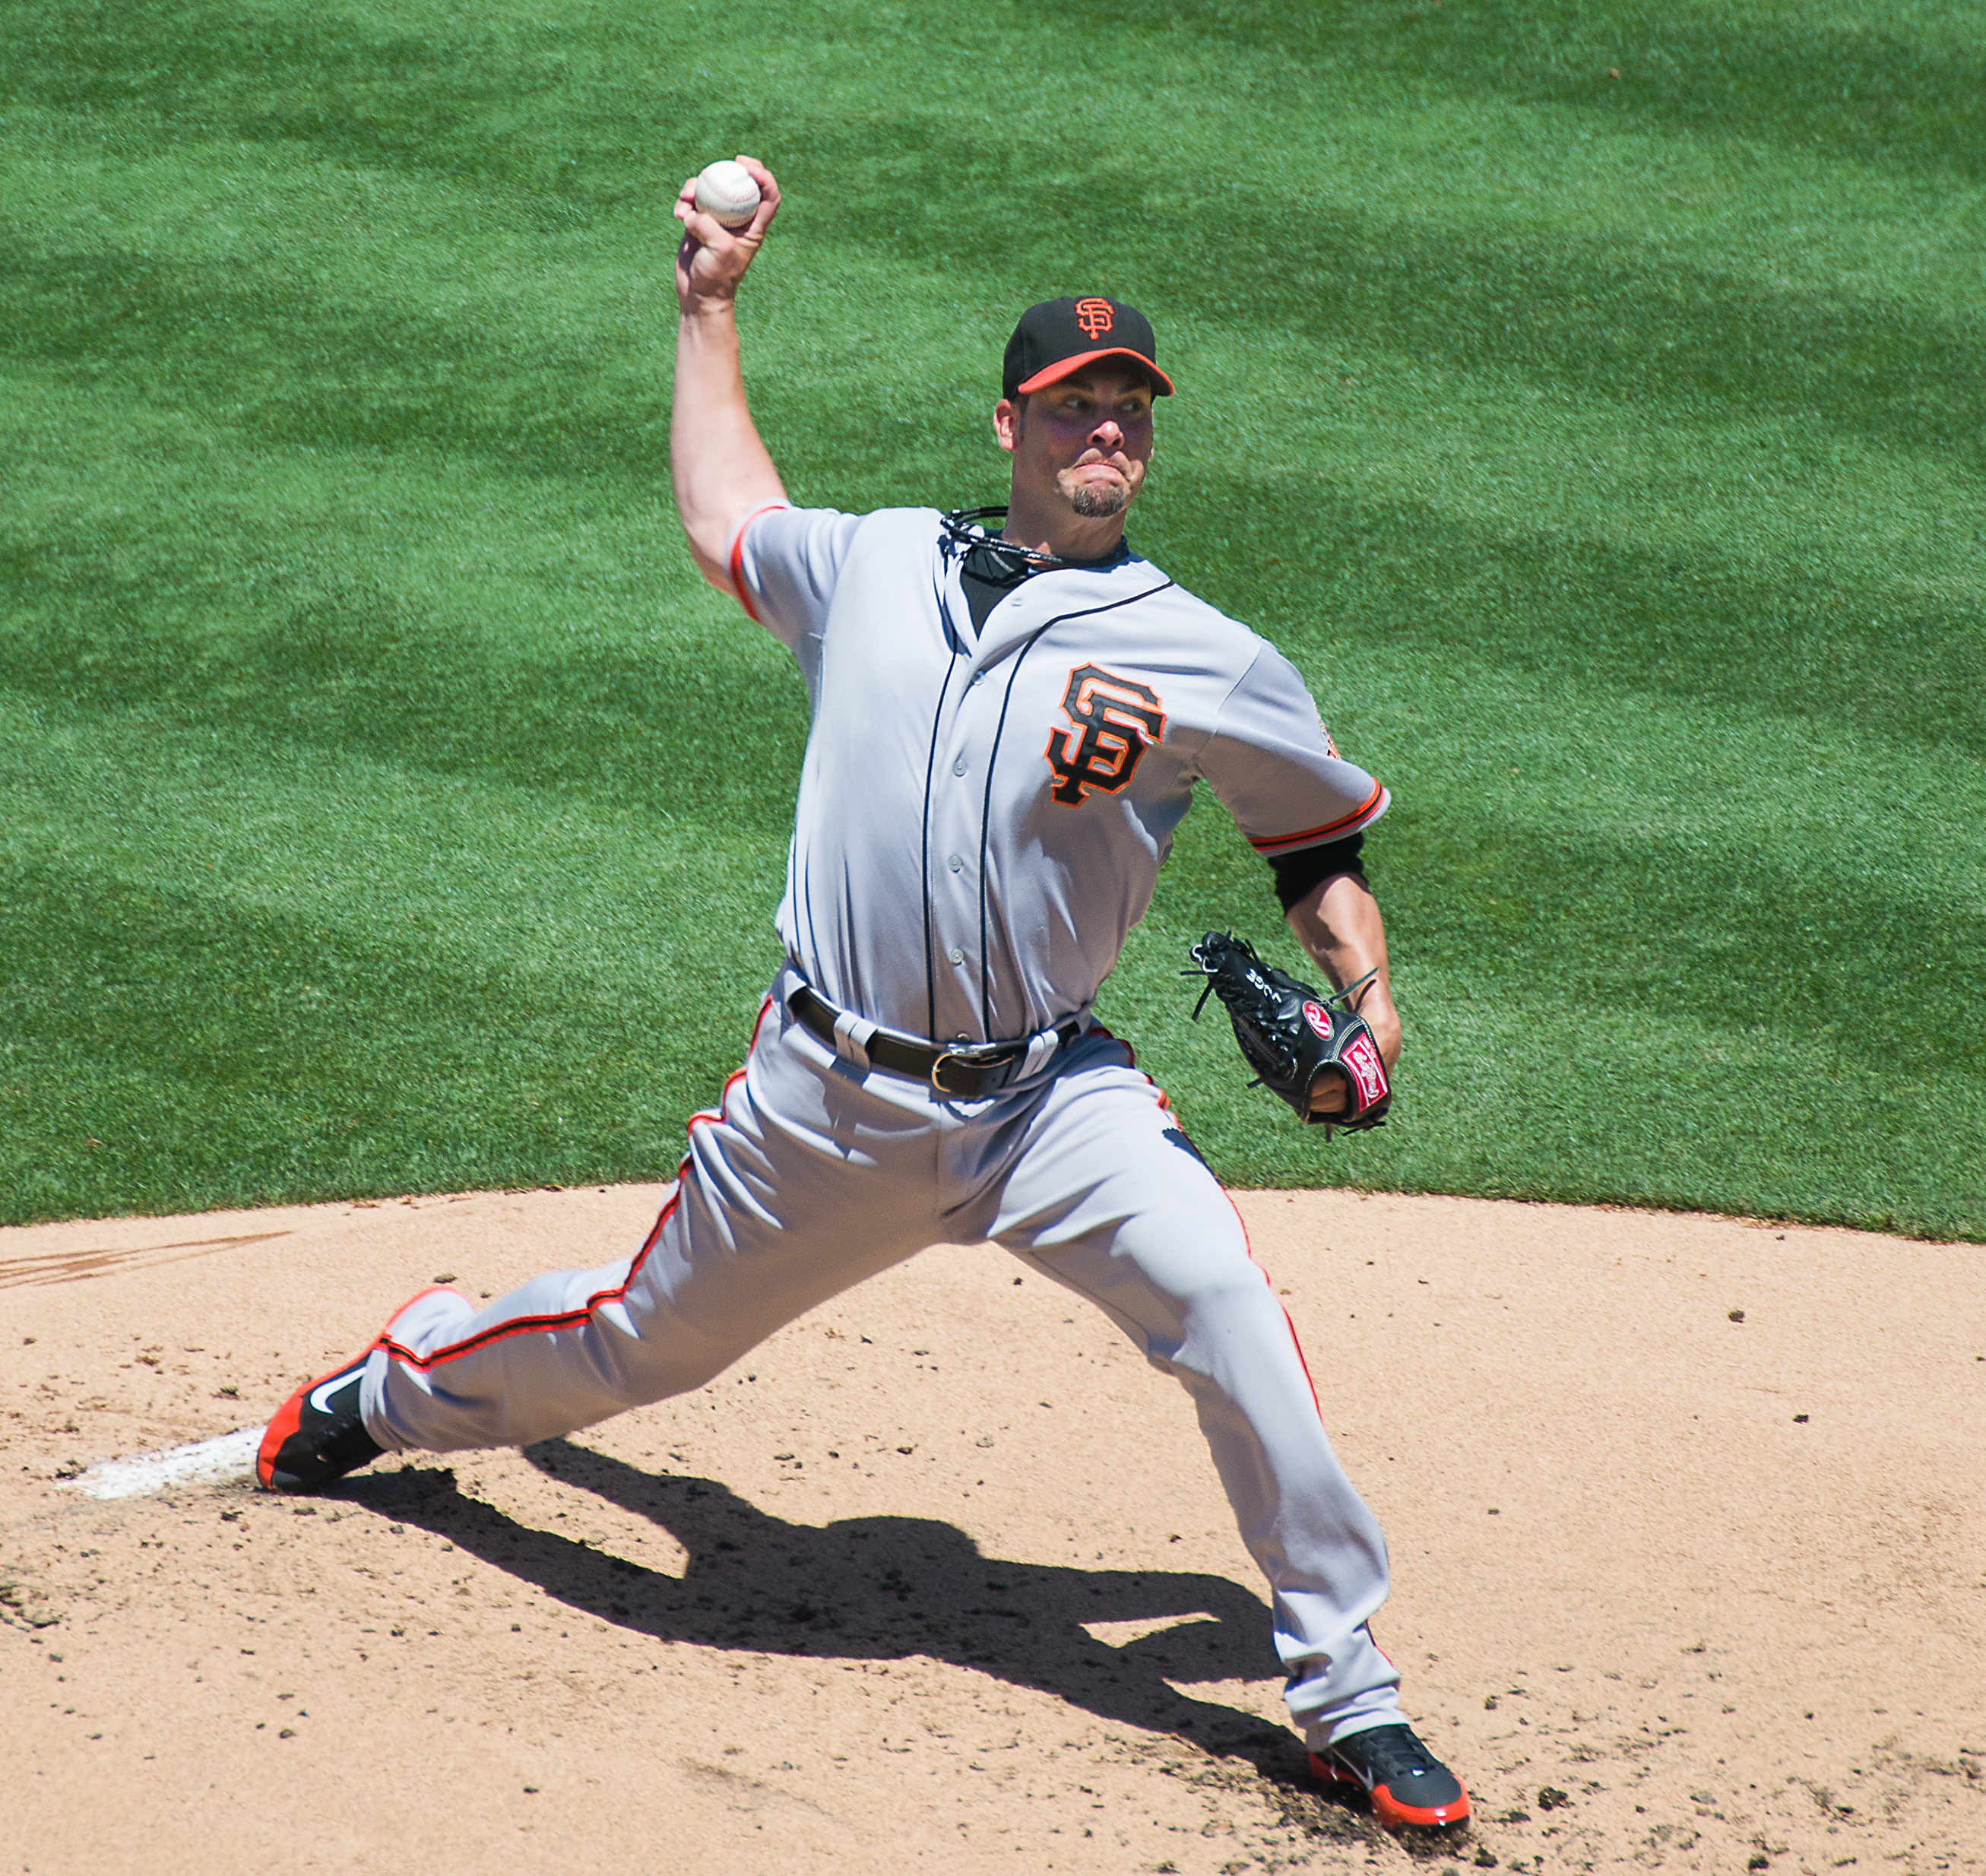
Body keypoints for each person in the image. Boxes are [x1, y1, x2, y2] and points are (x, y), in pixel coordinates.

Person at [256, 155, 1470, 1830]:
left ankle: (1346, 1690)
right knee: (628, 1348)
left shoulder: (1206, 653)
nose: (1103, 428)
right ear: (1008, 426)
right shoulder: (880, 563)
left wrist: (1369, 992)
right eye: (1071, 402)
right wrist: (705, 306)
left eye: (1128, 405)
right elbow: (724, 518)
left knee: (1227, 1314)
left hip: (1055, 1103)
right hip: (826, 1101)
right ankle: (385, 1389)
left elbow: (1314, 842)